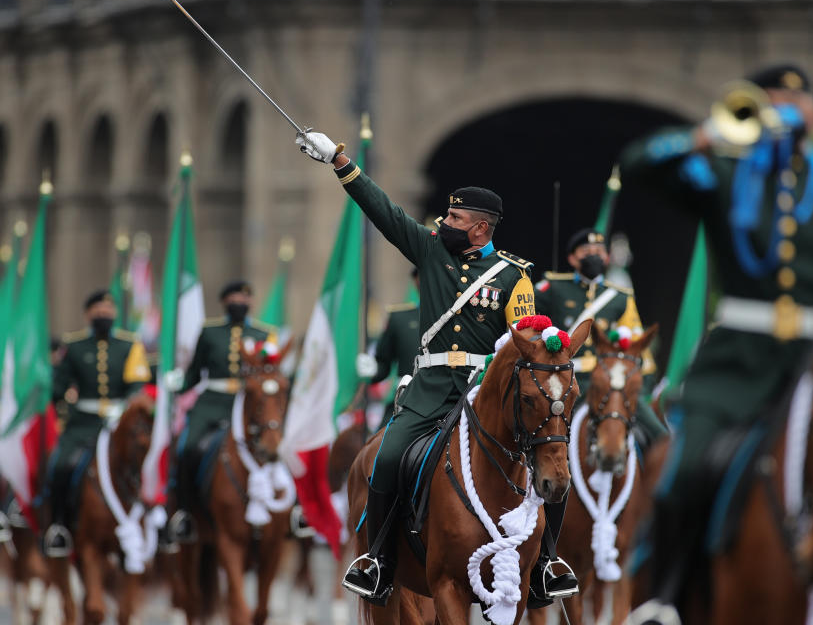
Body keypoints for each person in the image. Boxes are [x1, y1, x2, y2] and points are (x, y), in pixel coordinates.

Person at [620, 64, 813, 624]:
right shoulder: (720, 174)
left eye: (795, 101)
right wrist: (706, 135)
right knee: (678, 472)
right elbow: (642, 164)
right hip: (736, 363)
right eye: (770, 100)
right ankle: (661, 599)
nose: (783, 109)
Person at [296, 130, 575, 607]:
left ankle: (546, 562)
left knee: (553, 466)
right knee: (385, 459)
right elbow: (385, 213)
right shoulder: (429, 251)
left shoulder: (514, 275)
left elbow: (522, 336)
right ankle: (379, 561)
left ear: (482, 228)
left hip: (483, 391)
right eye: (447, 214)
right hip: (428, 388)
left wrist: (541, 344)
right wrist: (340, 162)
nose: (445, 222)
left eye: (456, 217)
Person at [164, 280, 276, 543]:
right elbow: (194, 373)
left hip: (250, 406)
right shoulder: (209, 332)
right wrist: (177, 384)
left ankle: (290, 512)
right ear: (225, 302)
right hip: (213, 402)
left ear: (250, 302)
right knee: (186, 448)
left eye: (244, 297)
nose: (239, 302)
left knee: (275, 449)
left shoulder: (264, 335)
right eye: (234, 297)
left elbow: (272, 371)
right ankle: (184, 514)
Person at [42, 290, 150, 556]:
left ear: (114, 314)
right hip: (83, 423)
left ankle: (156, 524)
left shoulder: (130, 345)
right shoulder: (75, 346)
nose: (103, 314)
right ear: (88, 315)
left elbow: (137, 383)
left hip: (119, 424)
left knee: (144, 462)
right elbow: (59, 386)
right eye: (97, 311)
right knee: (60, 465)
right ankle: (59, 527)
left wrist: (124, 405)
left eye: (107, 310)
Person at [536, 228, 665, 443]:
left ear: (606, 257)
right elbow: (526, 320)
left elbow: (635, 343)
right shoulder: (553, 287)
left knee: (658, 432)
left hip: (607, 376)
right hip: (563, 375)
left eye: (598, 250)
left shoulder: (620, 297)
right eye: (586, 250)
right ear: (572, 258)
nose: (593, 255)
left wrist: (643, 381)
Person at [357, 268, 421, 431]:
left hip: (448, 396)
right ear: (416, 281)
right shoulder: (400, 319)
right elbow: (383, 363)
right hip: (406, 399)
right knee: (380, 447)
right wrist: (373, 369)